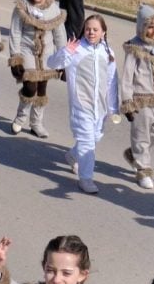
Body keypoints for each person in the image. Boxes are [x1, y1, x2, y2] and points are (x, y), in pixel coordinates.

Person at [48, 14, 119, 194]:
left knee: (95, 138)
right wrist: (66, 52)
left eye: (95, 29)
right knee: (87, 143)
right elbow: (52, 63)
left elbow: (112, 81)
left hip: (100, 108)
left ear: (103, 32)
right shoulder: (76, 49)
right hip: (82, 106)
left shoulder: (108, 53)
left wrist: (113, 108)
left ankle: (72, 155)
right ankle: (86, 179)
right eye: (88, 29)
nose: (91, 32)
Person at [119, 3, 154, 190]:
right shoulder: (135, 47)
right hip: (140, 99)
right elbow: (127, 77)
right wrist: (127, 102)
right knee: (141, 135)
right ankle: (143, 169)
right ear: (142, 27)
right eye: (150, 27)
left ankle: (136, 153)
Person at [7, 0, 67, 137]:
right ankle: (20, 118)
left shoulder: (54, 9)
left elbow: (59, 36)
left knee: (41, 89)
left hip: (47, 56)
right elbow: (15, 32)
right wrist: (15, 57)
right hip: (27, 51)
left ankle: (36, 124)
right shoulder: (22, 6)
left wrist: (63, 60)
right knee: (30, 87)